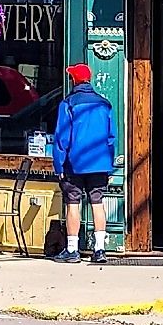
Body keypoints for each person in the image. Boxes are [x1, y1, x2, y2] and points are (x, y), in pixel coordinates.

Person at [51, 63, 117, 264]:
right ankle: (99, 249)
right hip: (99, 162)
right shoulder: (105, 104)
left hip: (75, 163)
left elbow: (62, 138)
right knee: (98, 202)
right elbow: (111, 137)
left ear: (73, 80)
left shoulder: (68, 104)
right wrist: (110, 162)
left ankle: (72, 249)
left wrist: (58, 165)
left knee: (73, 203)